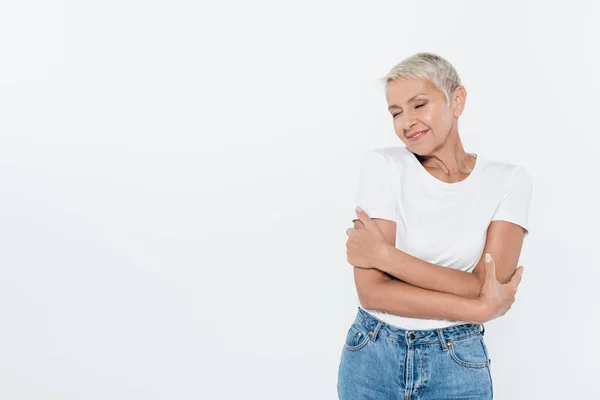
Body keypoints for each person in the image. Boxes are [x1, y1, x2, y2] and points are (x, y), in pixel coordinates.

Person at [338, 52, 533, 400]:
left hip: (457, 360)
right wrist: (479, 309)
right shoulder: (383, 166)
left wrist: (386, 257)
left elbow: (487, 284)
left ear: (456, 100)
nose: (406, 122)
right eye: (396, 112)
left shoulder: (508, 181)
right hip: (372, 354)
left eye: (419, 105)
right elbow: (372, 292)